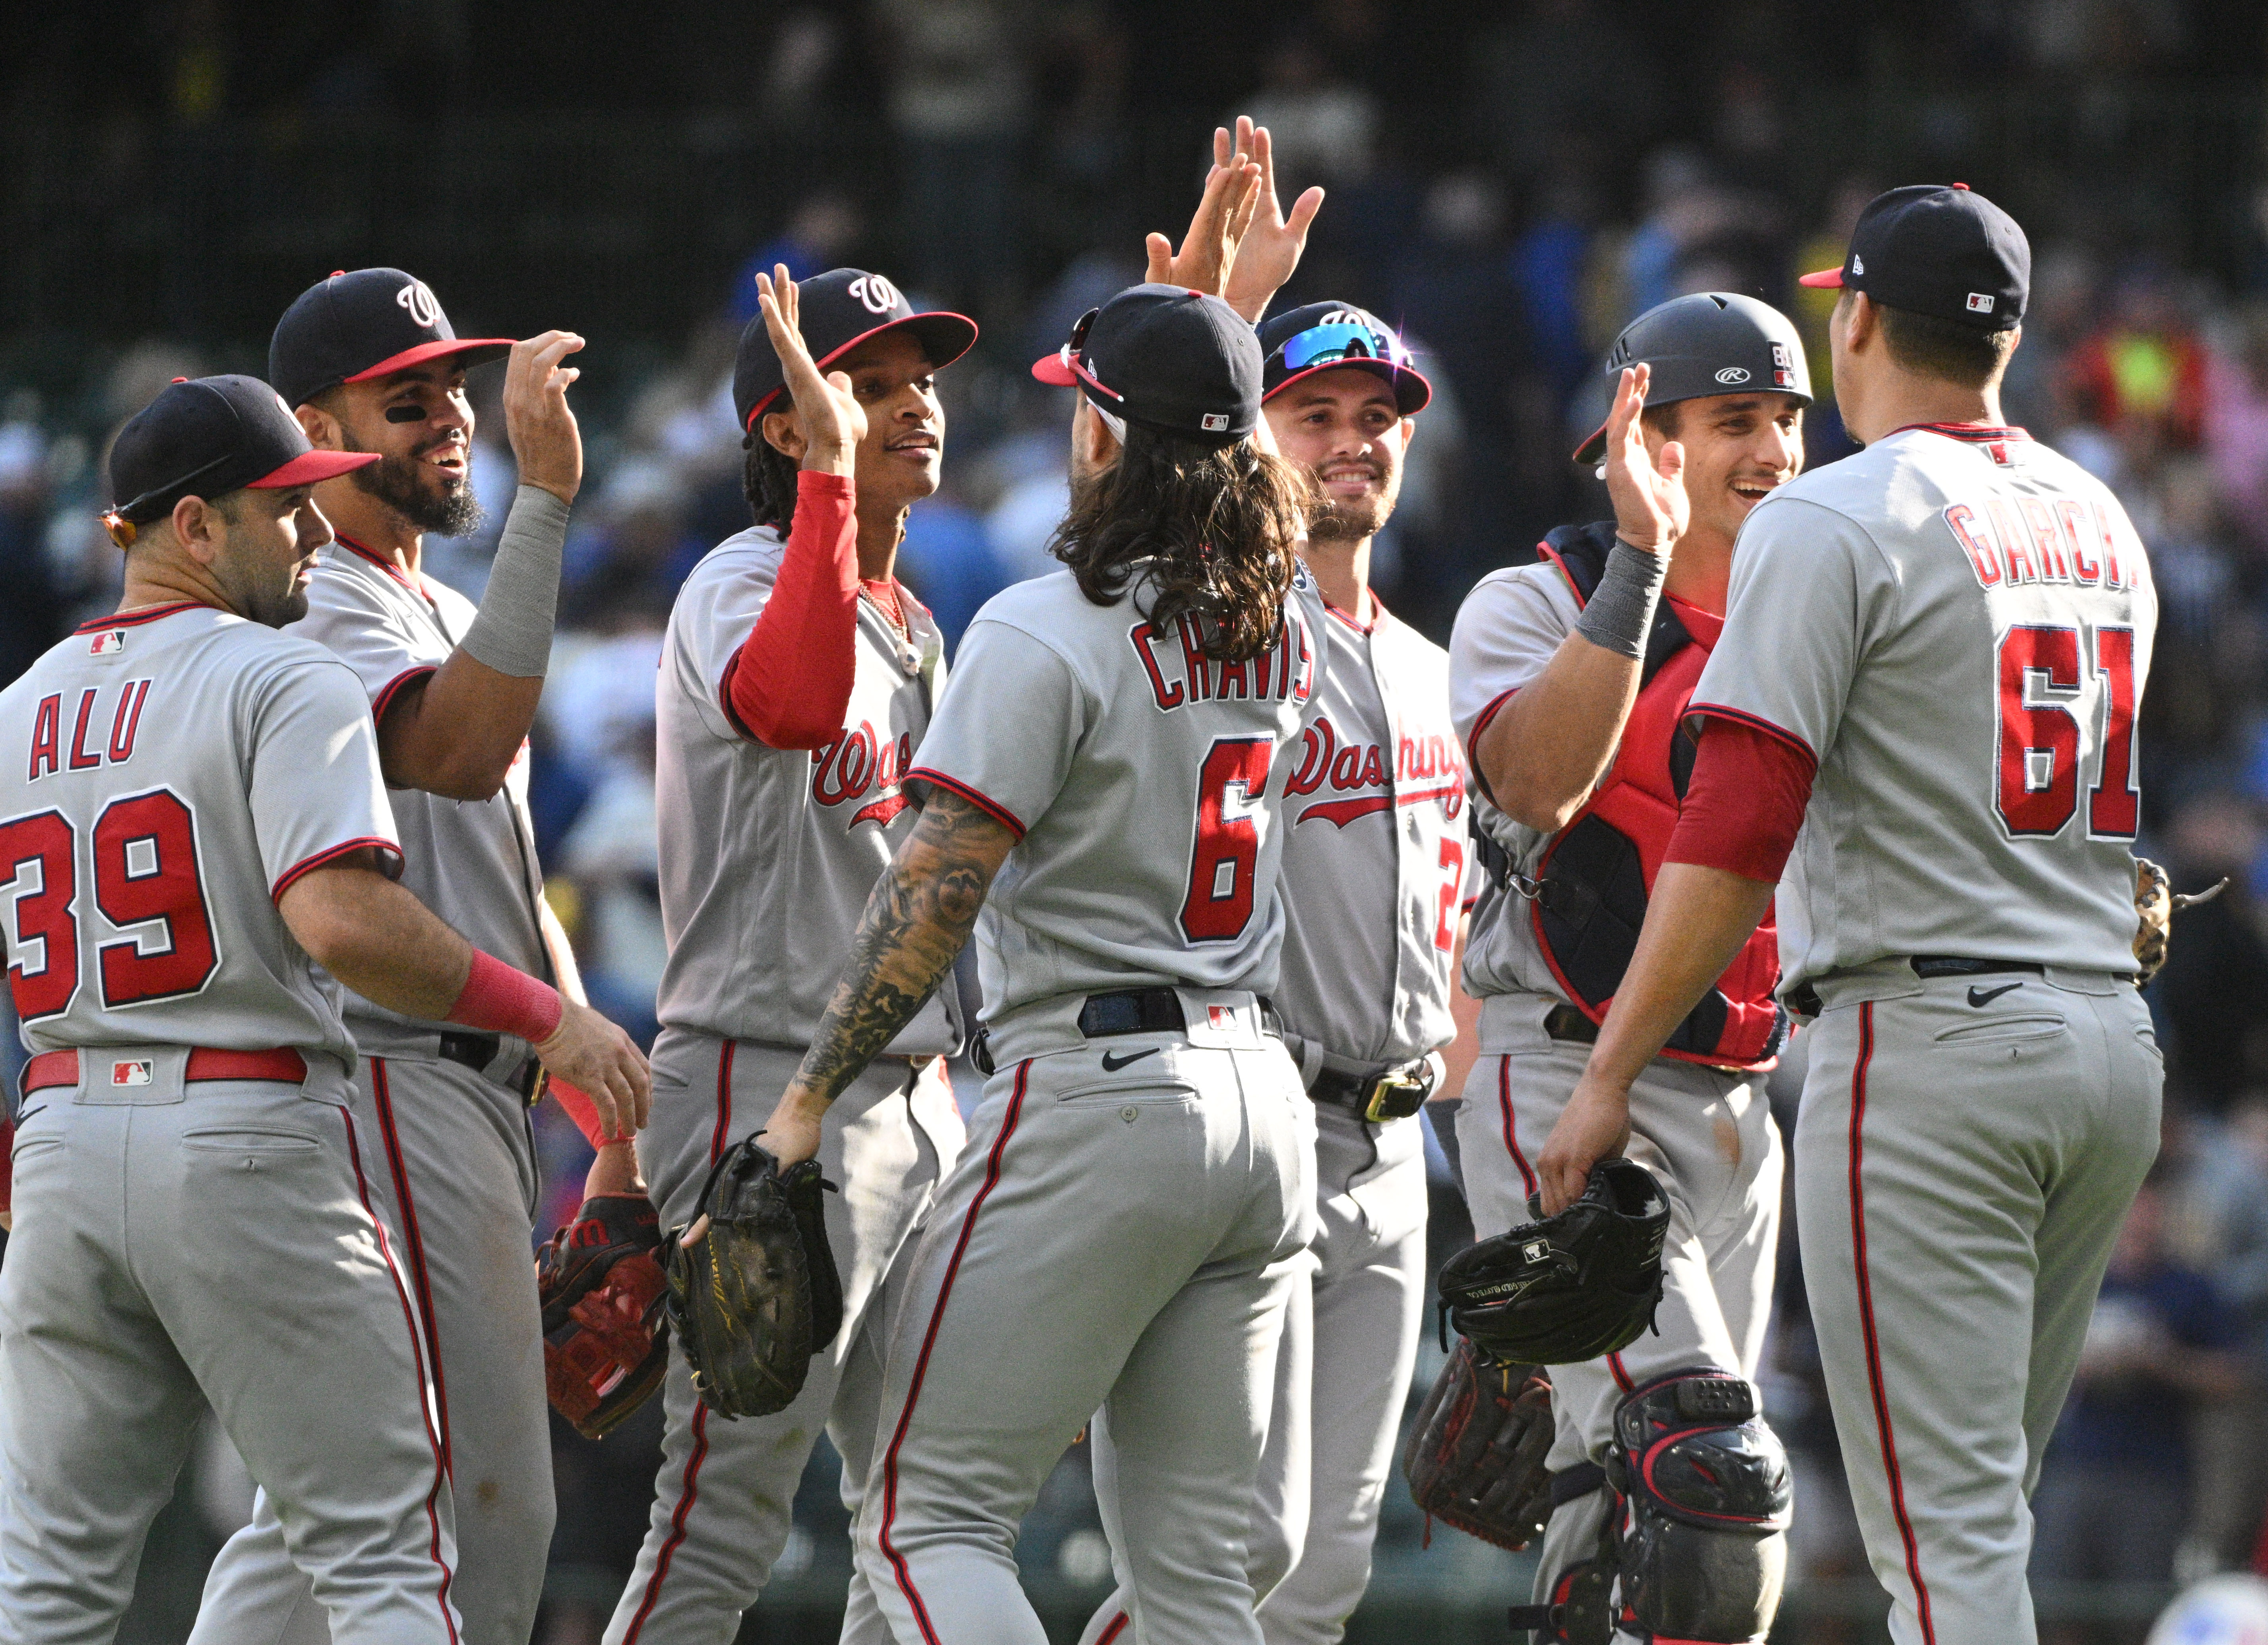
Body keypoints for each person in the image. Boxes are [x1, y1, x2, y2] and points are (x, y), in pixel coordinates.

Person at [1536, 184, 2163, 1645]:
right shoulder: (2098, 510)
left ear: (1858, 316)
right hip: (2105, 1037)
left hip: (1936, 1044)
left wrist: (1610, 1070)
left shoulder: (1837, 511)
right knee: (1981, 1519)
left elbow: (1738, 825)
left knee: (1941, 1549)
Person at [756, 181, 1333, 1645]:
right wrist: (1220, 339)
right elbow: (1216, 465)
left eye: (1087, 404)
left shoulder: (1038, 626)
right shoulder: (1285, 619)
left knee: (923, 1514)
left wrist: (809, 1097)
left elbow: (934, 891)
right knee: (1198, 1576)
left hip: (1098, 1088)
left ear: (1100, 436)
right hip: (1259, 1098)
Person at [0, 375, 646, 1644]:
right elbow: (345, 923)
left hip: (64, 1138)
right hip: (246, 1131)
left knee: (50, 1586)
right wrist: (546, 1017)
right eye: (280, 507)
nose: (309, 530)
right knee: (387, 1555)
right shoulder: (277, 672)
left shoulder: (19, 704)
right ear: (194, 527)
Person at [179, 266, 632, 1645]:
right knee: (478, 1521)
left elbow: (480, 865)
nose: (450, 418)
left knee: (350, 1521)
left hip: (456, 1081)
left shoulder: (421, 603)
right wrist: (548, 502)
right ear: (315, 430)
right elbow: (461, 748)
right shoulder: (314, 603)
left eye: (453, 390)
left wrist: (586, 1066)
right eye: (406, 398)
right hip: (391, 1073)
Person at [603, 264, 979, 1645]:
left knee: (930, 1507)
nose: (911, 406)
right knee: (723, 1515)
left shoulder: (915, 617)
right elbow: (794, 703)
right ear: (783, 425)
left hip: (916, 1094)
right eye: (866, 386)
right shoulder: (734, 580)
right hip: (764, 1088)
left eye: (918, 380)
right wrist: (829, 483)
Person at [1079, 299, 1460, 1645]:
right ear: (1249, 435)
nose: (1354, 443)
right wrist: (1204, 290)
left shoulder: (1430, 663)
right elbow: (1120, 515)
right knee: (1232, 1548)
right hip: (1264, 1112)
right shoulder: (1226, 629)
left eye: (1378, 416)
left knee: (1321, 1581)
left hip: (1399, 1144)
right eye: (1316, 416)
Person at [1448, 293, 1812, 1644]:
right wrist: (1640, 567)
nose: (1772, 449)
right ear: (1638, 434)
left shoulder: (1813, 608)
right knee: (1704, 1474)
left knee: (1620, 1519)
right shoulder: (1531, 593)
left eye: (1787, 418)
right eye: (1733, 421)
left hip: (1739, 1095)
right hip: (1565, 1065)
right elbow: (1539, 784)